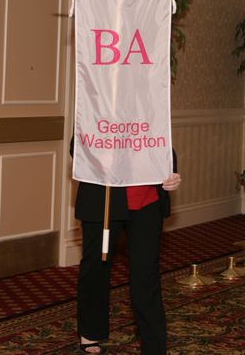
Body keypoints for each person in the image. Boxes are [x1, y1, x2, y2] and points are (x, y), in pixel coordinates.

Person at [72, 140, 181, 355]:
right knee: (96, 265)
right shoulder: (97, 106)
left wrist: (170, 171)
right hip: (102, 198)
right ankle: (90, 332)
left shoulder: (149, 106)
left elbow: (161, 139)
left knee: (146, 272)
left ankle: (155, 346)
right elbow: (77, 146)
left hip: (146, 201)